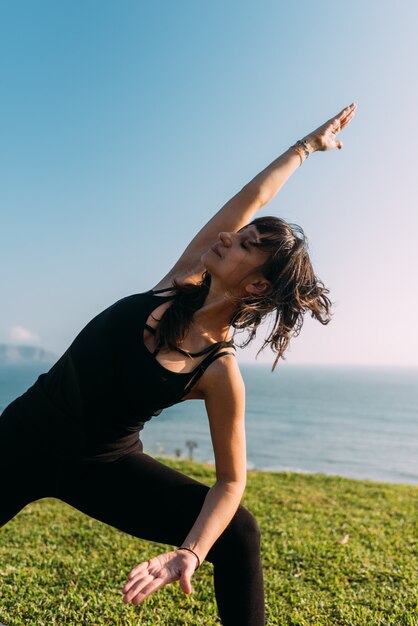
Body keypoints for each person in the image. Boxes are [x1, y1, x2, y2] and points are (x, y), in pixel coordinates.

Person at [0, 103, 357, 625]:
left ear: (257, 285)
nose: (228, 236)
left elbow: (231, 482)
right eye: (240, 233)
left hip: (102, 468)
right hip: (22, 436)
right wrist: (307, 147)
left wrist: (190, 551)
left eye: (246, 245)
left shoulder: (218, 369)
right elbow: (252, 196)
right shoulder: (180, 281)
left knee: (240, 532)